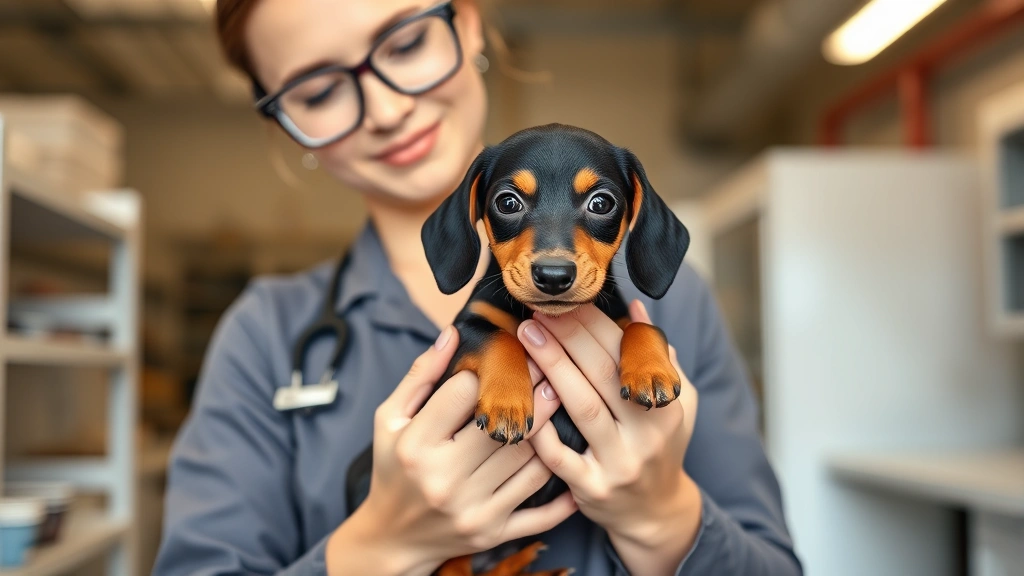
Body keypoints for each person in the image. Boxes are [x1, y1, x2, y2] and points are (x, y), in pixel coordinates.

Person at [152, 1, 803, 575]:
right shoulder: (264, 336)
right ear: (283, 121)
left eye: (404, 44)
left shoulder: (671, 303)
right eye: (318, 90)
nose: (386, 108)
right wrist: (378, 548)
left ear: (468, 23)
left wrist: (663, 517)